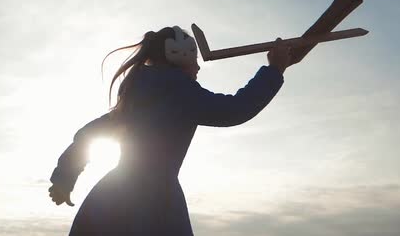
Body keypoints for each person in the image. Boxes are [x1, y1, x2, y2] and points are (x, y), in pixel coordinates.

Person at [48, 26, 297, 235]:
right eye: (194, 62)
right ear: (179, 58)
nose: (198, 69)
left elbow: (89, 135)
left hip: (107, 201)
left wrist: (64, 177)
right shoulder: (180, 91)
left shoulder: (135, 95)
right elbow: (234, 109)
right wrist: (273, 71)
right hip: (156, 206)